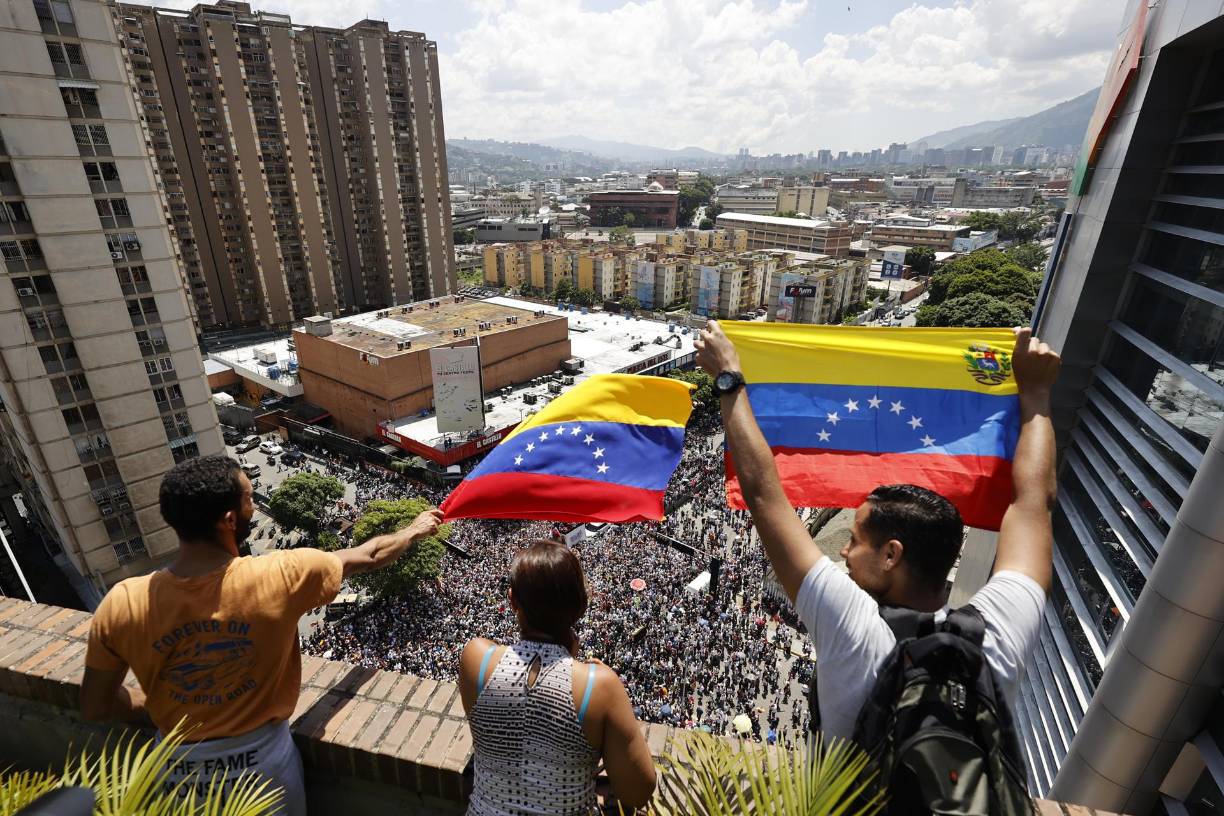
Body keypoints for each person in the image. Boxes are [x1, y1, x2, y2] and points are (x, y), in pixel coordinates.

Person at [694, 321, 1060, 741]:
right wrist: (1037, 394)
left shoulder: (853, 629)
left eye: (854, 540)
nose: (844, 553)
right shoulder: (998, 634)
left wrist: (729, 380)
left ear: (891, 555)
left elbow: (763, 495)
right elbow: (1035, 503)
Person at [80, 455, 443, 814]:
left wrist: (159, 706)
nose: (254, 506)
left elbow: (96, 706)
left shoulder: (122, 601)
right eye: (250, 498)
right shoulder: (282, 574)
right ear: (229, 520)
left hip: (174, 779)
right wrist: (413, 529)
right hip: (265, 775)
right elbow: (372, 554)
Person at [458, 540, 656, 815]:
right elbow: (638, 791)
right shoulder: (598, 686)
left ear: (512, 600)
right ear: (582, 606)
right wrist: (579, 667)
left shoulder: (476, 659)